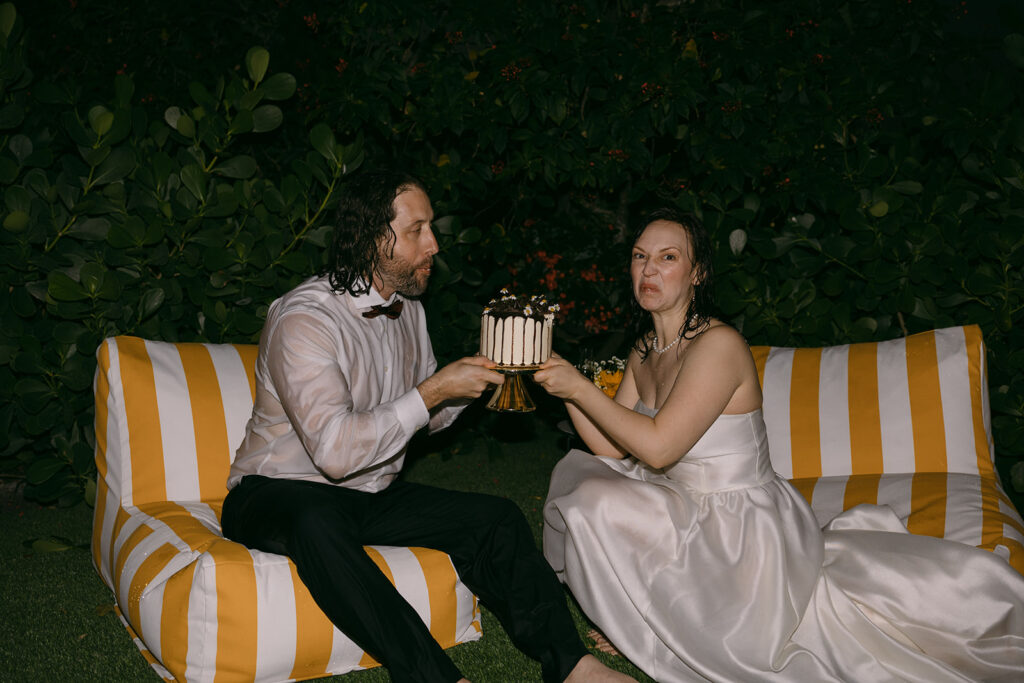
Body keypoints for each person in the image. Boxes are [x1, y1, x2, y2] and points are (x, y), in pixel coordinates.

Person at [533, 206, 1024, 682]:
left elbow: (659, 449)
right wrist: (557, 383)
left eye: (668, 257)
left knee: (604, 497)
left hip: (738, 524)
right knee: (592, 483)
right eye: (641, 256)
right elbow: (611, 449)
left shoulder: (718, 345)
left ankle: (660, 621)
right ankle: (638, 619)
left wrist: (579, 387)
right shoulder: (645, 348)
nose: (649, 269)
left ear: (697, 272)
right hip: (679, 505)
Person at [220, 170, 632, 683]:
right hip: (276, 493)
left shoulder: (408, 310)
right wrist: (435, 389)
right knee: (315, 522)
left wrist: (479, 378)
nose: (434, 244)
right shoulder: (305, 319)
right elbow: (335, 452)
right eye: (417, 230)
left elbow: (424, 418)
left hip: (369, 494)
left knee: (496, 519)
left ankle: (573, 665)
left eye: (430, 228)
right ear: (373, 237)